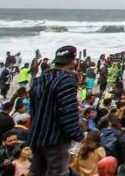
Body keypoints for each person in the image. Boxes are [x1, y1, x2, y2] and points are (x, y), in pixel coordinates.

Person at [29, 45, 84, 176]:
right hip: (55, 136)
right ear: (73, 60)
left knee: (37, 171)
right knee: (58, 171)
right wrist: (76, 134)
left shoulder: (40, 78)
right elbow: (67, 111)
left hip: (36, 134)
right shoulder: (67, 80)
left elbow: (33, 108)